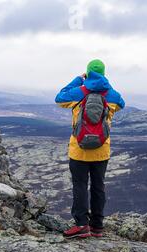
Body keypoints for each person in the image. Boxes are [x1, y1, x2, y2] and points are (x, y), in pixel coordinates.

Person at [55, 59, 125, 238]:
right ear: (103, 73)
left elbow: (59, 97)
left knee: (80, 185)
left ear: (87, 72)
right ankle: (97, 226)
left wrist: (79, 79)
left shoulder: (79, 92)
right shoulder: (112, 95)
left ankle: (81, 225)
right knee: (98, 186)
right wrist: (105, 85)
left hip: (79, 149)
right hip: (102, 150)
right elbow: (121, 103)